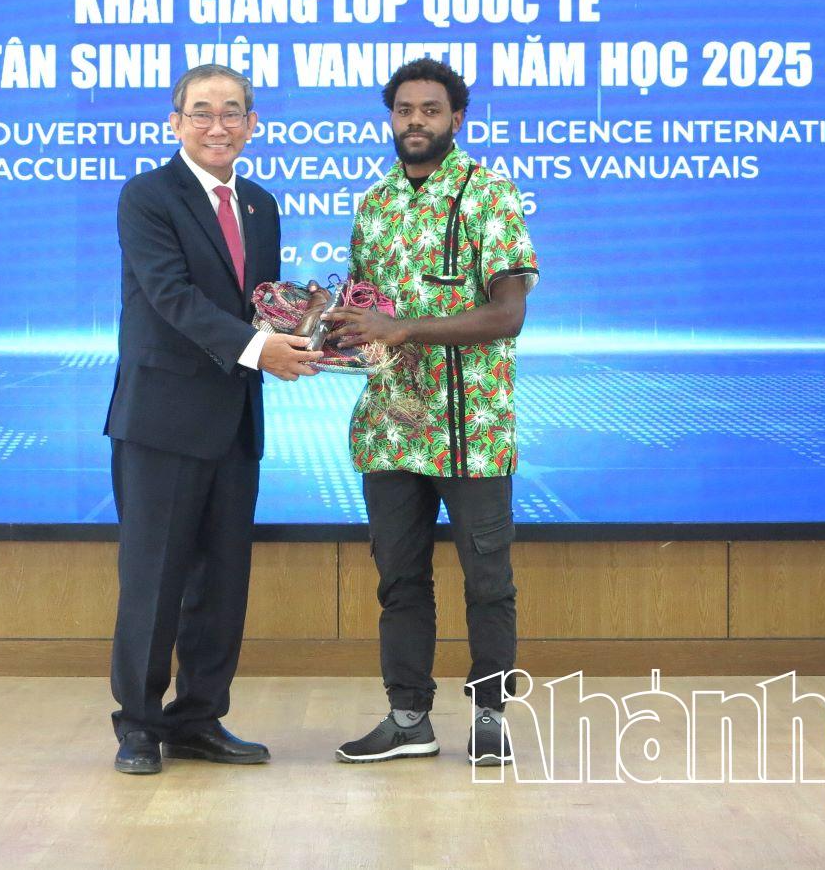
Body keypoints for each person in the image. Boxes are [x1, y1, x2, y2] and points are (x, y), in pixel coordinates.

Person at [104, 64, 321, 775]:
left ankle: (198, 718)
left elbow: (260, 307)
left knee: (222, 583)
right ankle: (139, 726)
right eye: (201, 111)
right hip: (162, 420)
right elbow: (171, 298)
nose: (217, 125)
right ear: (176, 123)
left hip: (234, 418)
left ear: (252, 125)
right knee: (154, 580)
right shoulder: (147, 196)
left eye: (232, 112)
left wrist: (313, 338)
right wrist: (262, 350)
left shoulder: (259, 204)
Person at [324, 58, 539, 767]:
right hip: (390, 427)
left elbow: (507, 316)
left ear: (456, 119)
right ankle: (408, 718)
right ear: (391, 118)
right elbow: (367, 317)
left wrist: (403, 330)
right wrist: (324, 327)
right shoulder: (374, 204)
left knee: (488, 581)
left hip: (472, 427)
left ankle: (490, 718)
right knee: (400, 581)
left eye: (430, 109)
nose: (415, 121)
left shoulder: (489, 194)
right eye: (404, 110)